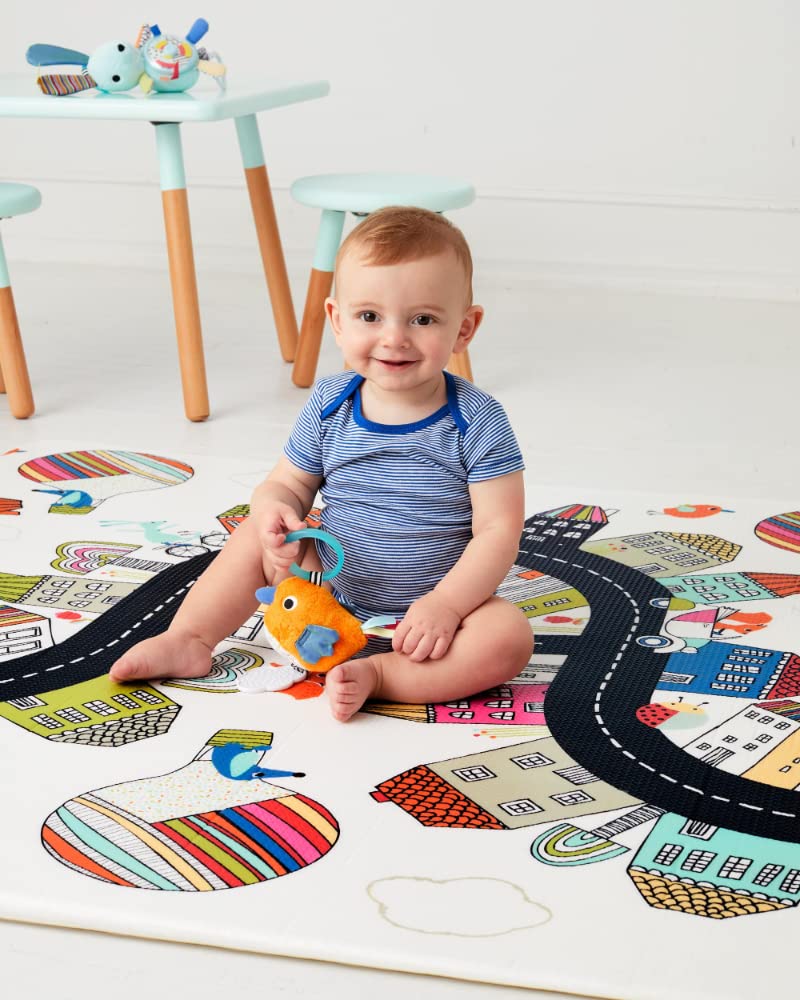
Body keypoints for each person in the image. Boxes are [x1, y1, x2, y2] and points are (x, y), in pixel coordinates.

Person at [110, 206, 533, 720]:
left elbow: (498, 532)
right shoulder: (332, 402)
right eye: (370, 316)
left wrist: (446, 604)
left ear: (465, 328)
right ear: (337, 320)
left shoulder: (477, 419)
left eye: (423, 319)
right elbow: (288, 483)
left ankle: (382, 675)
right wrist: (274, 511)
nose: (394, 337)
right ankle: (190, 638)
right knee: (252, 534)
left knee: (508, 636)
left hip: (439, 604)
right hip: (326, 587)